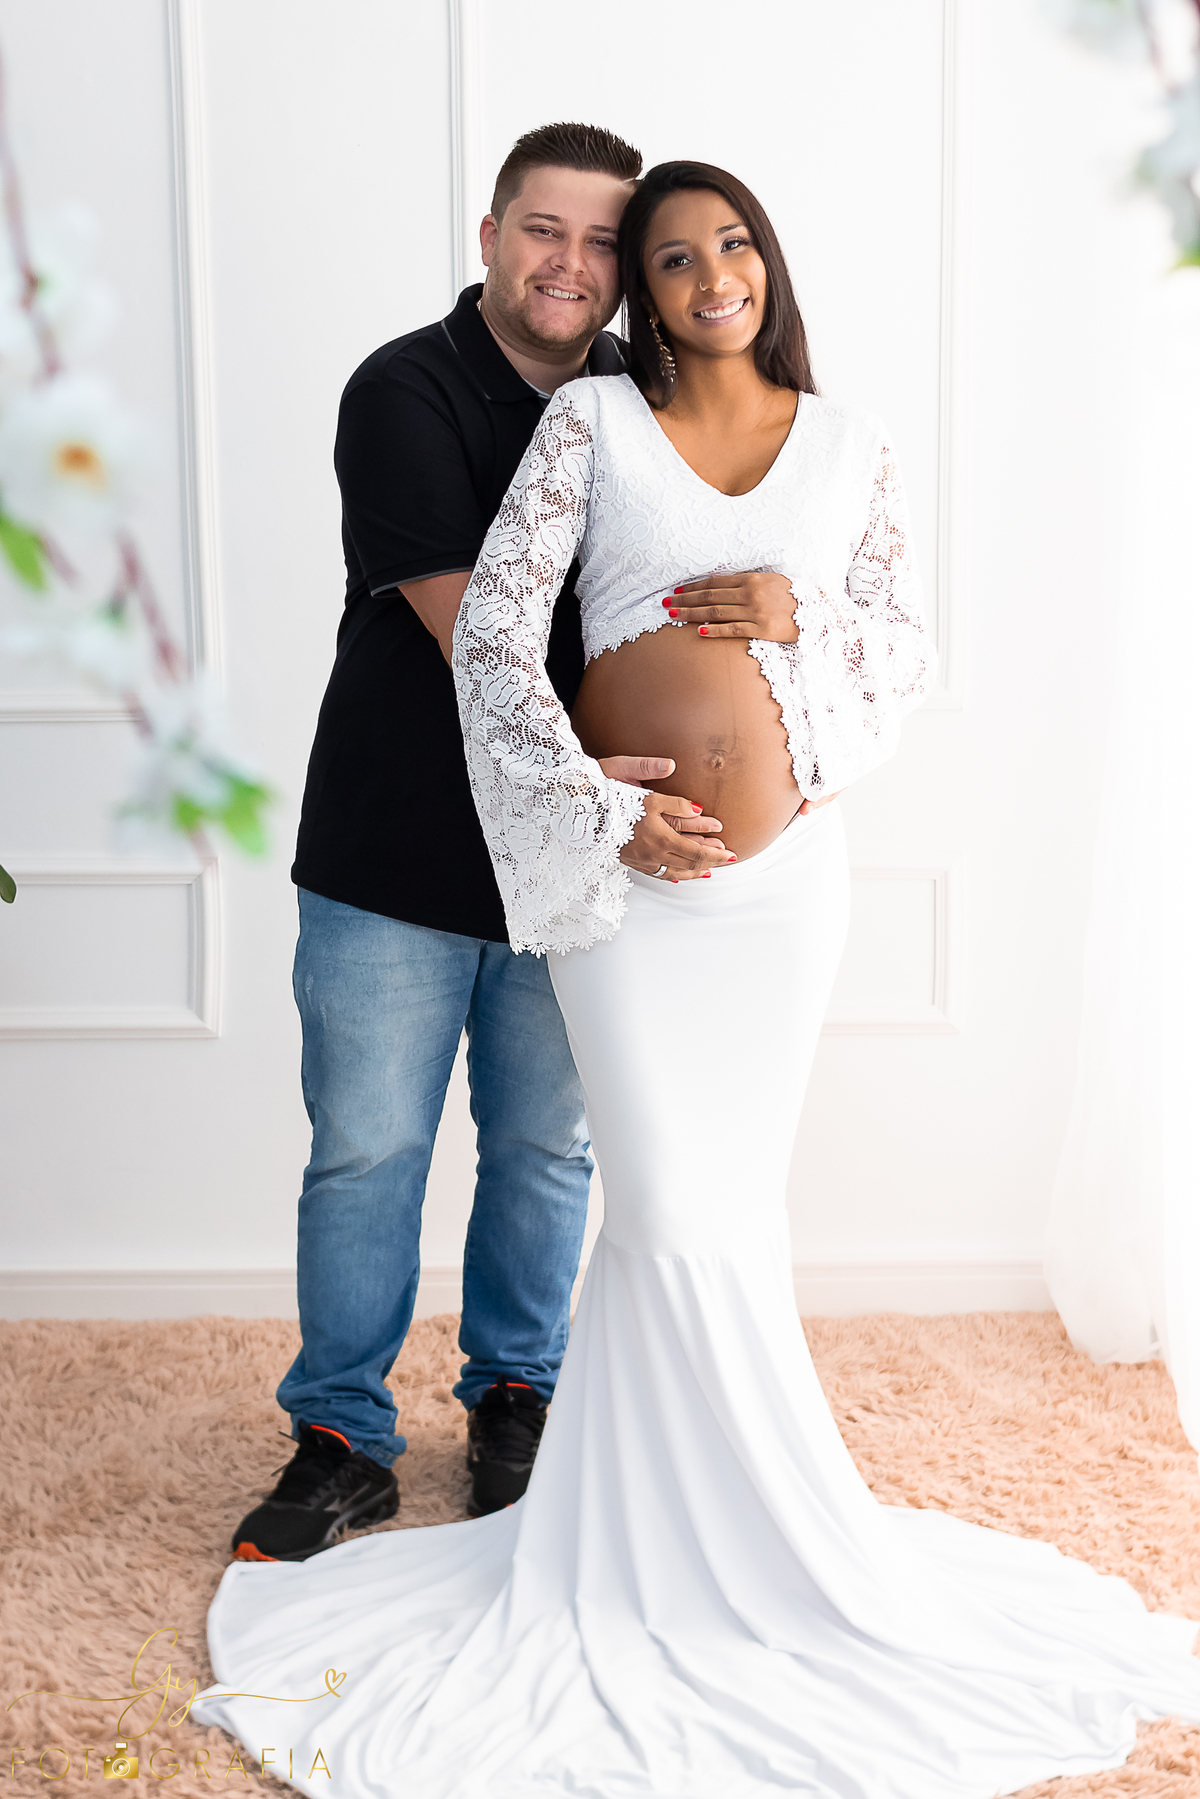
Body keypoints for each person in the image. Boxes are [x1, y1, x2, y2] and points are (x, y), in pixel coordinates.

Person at [199, 163, 1200, 1797]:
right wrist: (603, 808)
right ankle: (435, 1467)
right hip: (614, 891)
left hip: (786, 895)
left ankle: (712, 1510)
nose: (702, 272)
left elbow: (904, 650)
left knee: (700, 1202)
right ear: (628, 291)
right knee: (643, 1205)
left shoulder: (852, 443)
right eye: (665, 256)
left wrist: (800, 623)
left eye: (725, 244)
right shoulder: (577, 423)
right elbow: (494, 637)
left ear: (767, 265)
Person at [231, 123, 730, 1559]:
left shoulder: (652, 400)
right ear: (493, 235)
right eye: (542, 230)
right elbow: (478, 640)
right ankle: (341, 1435)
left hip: (567, 862)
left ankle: (518, 1401)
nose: (569, 263)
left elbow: (717, 557)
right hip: (395, 852)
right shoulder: (403, 389)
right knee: (367, 1154)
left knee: (542, 1149)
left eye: (600, 240)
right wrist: (606, 784)